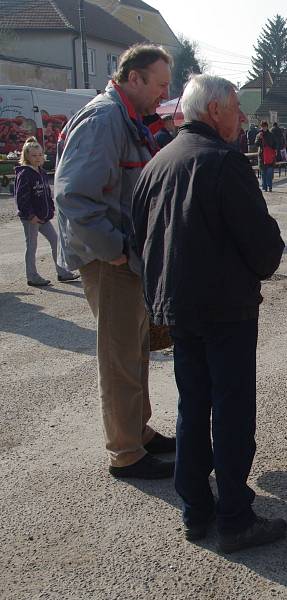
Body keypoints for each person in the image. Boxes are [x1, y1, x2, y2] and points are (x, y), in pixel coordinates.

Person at [131, 74, 287, 552]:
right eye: (236, 108)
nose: (242, 118)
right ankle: (235, 518)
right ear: (214, 110)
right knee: (232, 410)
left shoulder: (158, 162)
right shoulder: (224, 162)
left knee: (193, 405)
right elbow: (264, 250)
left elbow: (139, 237)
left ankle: (196, 509)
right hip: (225, 309)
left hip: (178, 307)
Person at [55, 43, 175, 479]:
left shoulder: (127, 119)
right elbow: (72, 195)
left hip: (123, 259)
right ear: (134, 78)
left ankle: (137, 432)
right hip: (109, 262)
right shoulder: (105, 118)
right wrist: (118, 251)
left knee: (135, 350)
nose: (165, 94)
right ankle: (126, 452)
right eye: (160, 84)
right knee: (120, 354)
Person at [15, 137, 78, 286]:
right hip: (31, 218)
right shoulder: (24, 174)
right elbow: (21, 198)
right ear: (26, 156)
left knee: (55, 241)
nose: (37, 158)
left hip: (43, 217)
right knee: (32, 246)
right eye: (34, 156)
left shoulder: (41, 172)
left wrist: (50, 209)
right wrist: (30, 215)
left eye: (40, 155)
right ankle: (32, 276)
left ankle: (62, 272)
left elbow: (47, 193)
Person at [255, 120, 277, 192]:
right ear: (261, 127)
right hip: (262, 156)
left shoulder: (271, 134)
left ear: (267, 126)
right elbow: (256, 144)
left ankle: (269, 186)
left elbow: (275, 143)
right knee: (263, 173)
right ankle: (264, 187)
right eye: (263, 126)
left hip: (270, 155)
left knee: (269, 172)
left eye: (265, 126)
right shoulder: (259, 135)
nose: (264, 128)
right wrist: (259, 139)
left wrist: (275, 150)